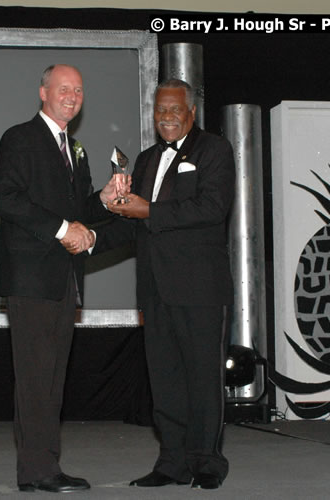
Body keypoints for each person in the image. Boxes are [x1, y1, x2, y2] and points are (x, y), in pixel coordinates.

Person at [97, 78, 234, 490]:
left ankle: (206, 463)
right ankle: (171, 462)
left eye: (175, 110)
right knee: (166, 380)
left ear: (191, 112)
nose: (167, 117)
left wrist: (148, 210)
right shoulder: (144, 160)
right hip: (155, 289)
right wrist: (86, 237)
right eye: (160, 111)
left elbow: (212, 207)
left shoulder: (213, 150)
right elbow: (131, 224)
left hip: (200, 288)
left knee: (203, 379)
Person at [0, 64, 118, 492]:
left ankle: (47, 465)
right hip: (31, 280)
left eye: (78, 90)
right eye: (64, 88)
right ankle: (35, 471)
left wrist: (101, 199)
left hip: (65, 280)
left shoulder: (74, 148)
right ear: (43, 92)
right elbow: (5, 198)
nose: (72, 95)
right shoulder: (19, 138)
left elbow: (80, 209)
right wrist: (63, 229)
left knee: (52, 379)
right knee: (34, 379)